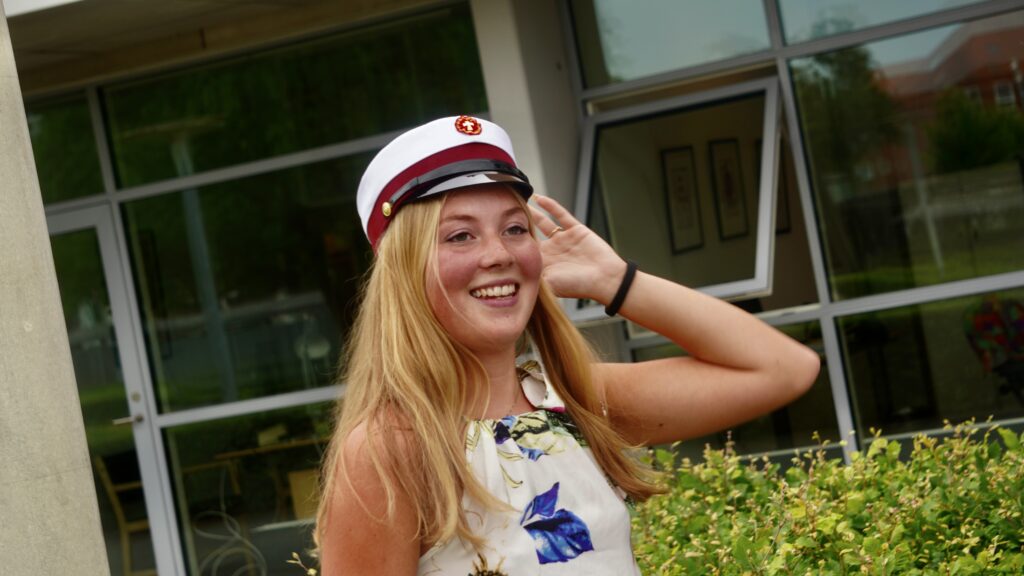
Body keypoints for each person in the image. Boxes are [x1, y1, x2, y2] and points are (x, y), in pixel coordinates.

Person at [314, 116, 820, 575]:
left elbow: (784, 369)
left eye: (515, 229)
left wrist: (615, 280)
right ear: (404, 270)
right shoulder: (390, 449)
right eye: (460, 236)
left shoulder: (576, 400)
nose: (499, 254)